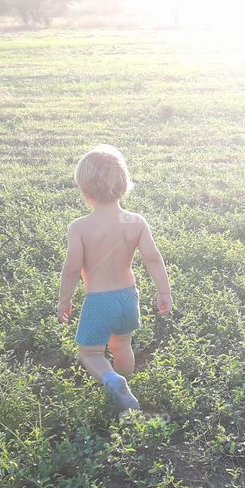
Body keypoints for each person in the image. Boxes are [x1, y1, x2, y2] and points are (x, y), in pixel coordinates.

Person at [56, 144, 173, 416]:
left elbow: (72, 268)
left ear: (84, 190)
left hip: (99, 301)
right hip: (128, 297)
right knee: (122, 345)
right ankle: (126, 387)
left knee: (90, 352)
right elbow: (153, 259)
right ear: (123, 185)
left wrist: (64, 300)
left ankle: (112, 381)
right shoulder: (136, 221)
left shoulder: (80, 227)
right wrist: (164, 292)